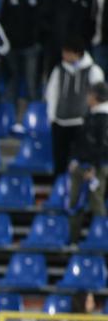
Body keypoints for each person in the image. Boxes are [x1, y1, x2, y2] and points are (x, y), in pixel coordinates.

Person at [47, 36, 105, 177]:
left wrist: (91, 120)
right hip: (60, 122)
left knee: (81, 162)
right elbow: (51, 93)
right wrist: (52, 117)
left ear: (77, 53)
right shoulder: (58, 70)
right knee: (59, 161)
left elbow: (99, 97)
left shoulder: (93, 70)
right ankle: (59, 189)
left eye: (67, 53)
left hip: (82, 123)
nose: (64, 56)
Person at [0, 0, 48, 129]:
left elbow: (43, 23)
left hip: (31, 47)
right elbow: (3, 20)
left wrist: (37, 41)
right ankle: (8, 121)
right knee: (11, 82)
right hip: (11, 47)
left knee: (31, 83)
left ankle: (33, 122)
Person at [68, 82, 108, 244]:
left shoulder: (104, 118)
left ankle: (101, 240)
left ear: (97, 96)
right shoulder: (89, 115)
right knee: (75, 202)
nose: (87, 97)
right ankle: (72, 240)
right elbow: (81, 141)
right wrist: (75, 159)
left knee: (96, 203)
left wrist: (93, 166)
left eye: (90, 94)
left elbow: (104, 146)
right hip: (81, 165)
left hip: (97, 168)